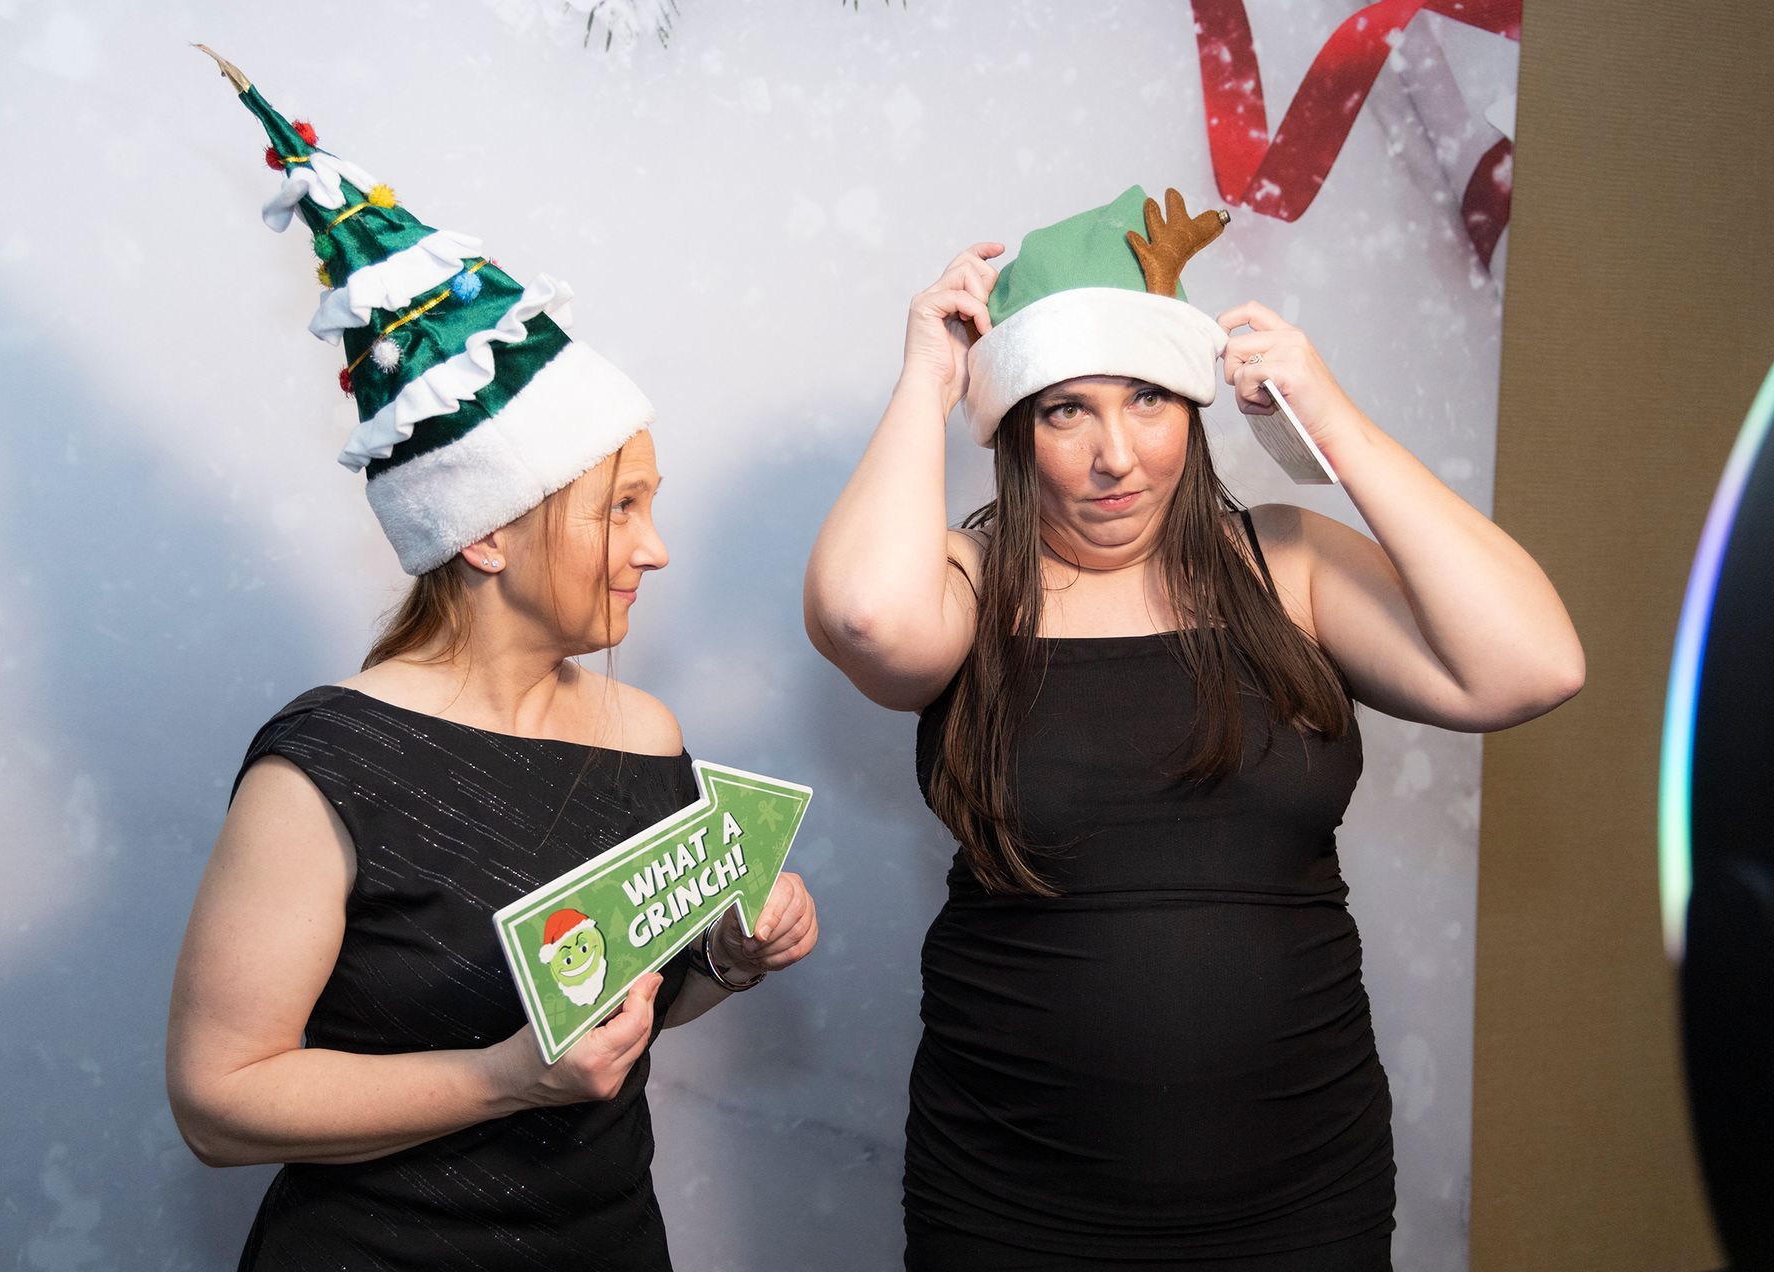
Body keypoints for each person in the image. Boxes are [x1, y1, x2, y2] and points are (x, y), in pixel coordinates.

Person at [803, 184, 1583, 1269]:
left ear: (1193, 404)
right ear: (1016, 430)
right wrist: (927, 382)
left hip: (1301, 1197)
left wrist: (1332, 419)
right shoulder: (966, 585)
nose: (1115, 455)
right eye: (1066, 409)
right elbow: (862, 617)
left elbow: (1533, 665)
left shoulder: (1289, 564)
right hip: (1013, 1205)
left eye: (1148, 400)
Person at [167, 52, 817, 1271]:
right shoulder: (327, 767)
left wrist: (728, 955)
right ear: (487, 529)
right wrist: (500, 1080)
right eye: (618, 510)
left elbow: (621, 1011)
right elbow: (216, 1101)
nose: (657, 549)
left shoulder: (644, 734)